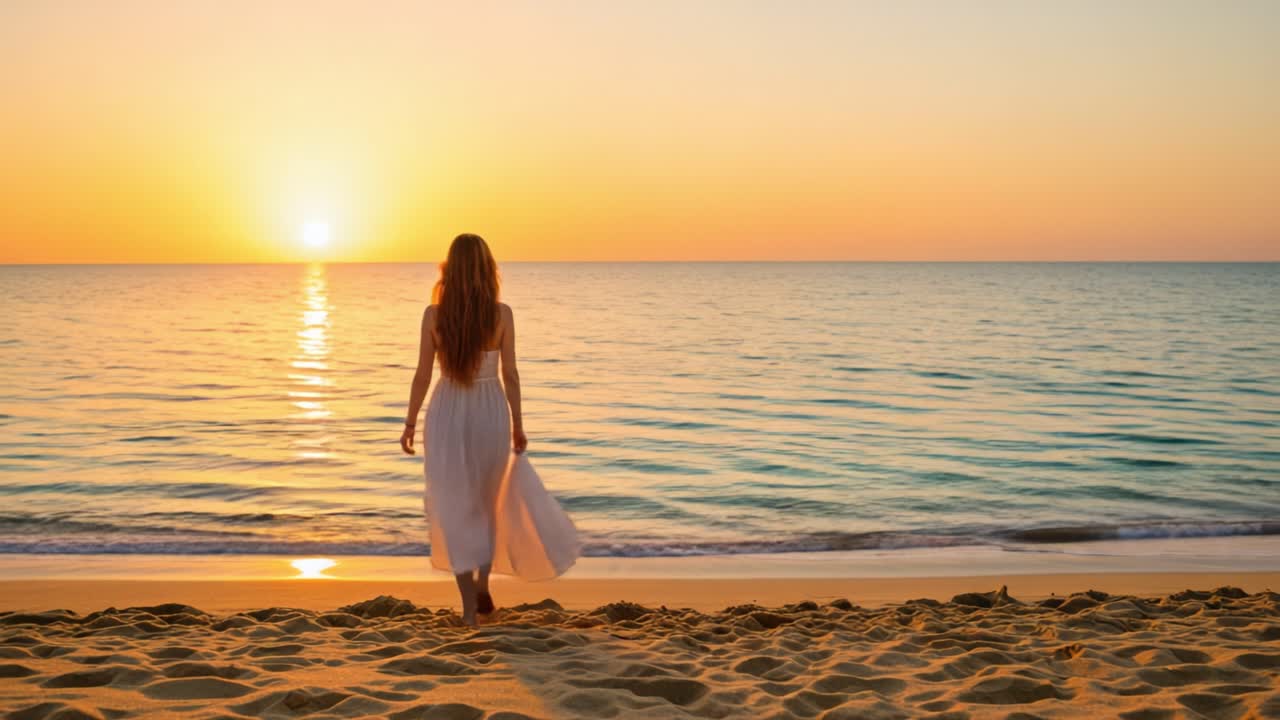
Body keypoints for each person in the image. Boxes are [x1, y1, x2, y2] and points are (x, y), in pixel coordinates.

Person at [400, 233, 576, 626]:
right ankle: (482, 586)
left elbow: (423, 375)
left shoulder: (434, 316)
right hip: (489, 409)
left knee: (454, 506)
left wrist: (410, 422)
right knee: (489, 502)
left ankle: (467, 608)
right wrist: (518, 423)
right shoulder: (502, 314)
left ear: (450, 269)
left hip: (447, 410)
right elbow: (510, 375)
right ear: (487, 269)